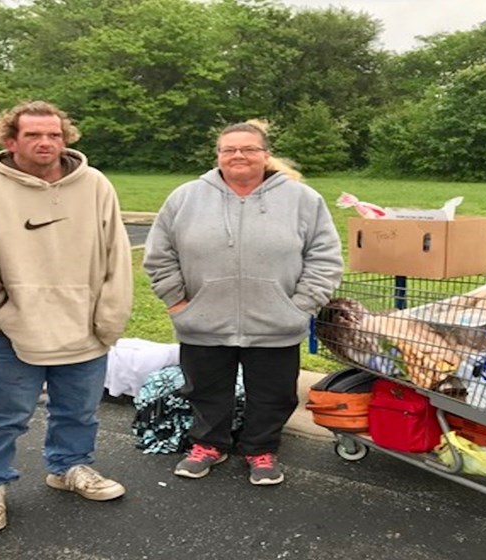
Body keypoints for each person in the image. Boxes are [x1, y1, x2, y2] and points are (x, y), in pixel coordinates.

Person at [0, 100, 133, 533]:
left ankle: (69, 467)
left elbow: (117, 254)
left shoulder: (94, 184)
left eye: (54, 134)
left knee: (79, 413)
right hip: (12, 332)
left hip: (84, 327)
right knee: (2, 419)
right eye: (33, 135)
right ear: (10, 140)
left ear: (66, 137)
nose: (45, 142)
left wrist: (109, 319)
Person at [143, 120, 343, 486]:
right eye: (229, 149)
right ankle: (208, 445)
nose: (238, 155)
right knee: (205, 388)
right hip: (203, 320)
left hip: (276, 322)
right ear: (217, 156)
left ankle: (261, 449)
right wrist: (178, 303)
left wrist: (300, 306)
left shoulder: (302, 200)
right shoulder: (186, 197)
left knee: (275, 393)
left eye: (249, 149)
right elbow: (160, 255)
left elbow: (325, 257)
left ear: (266, 155)